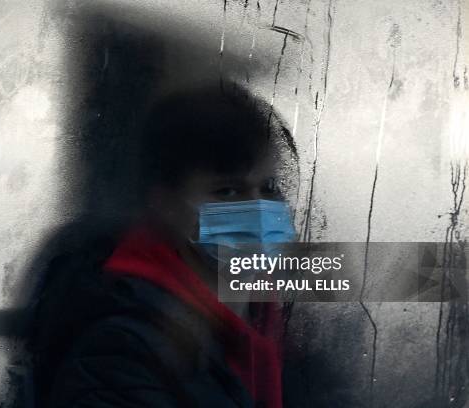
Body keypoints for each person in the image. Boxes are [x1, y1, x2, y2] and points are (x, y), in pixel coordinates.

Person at [29, 84, 300, 407]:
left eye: (269, 187)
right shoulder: (121, 348)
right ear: (166, 203)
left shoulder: (276, 321)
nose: (257, 209)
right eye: (227, 191)